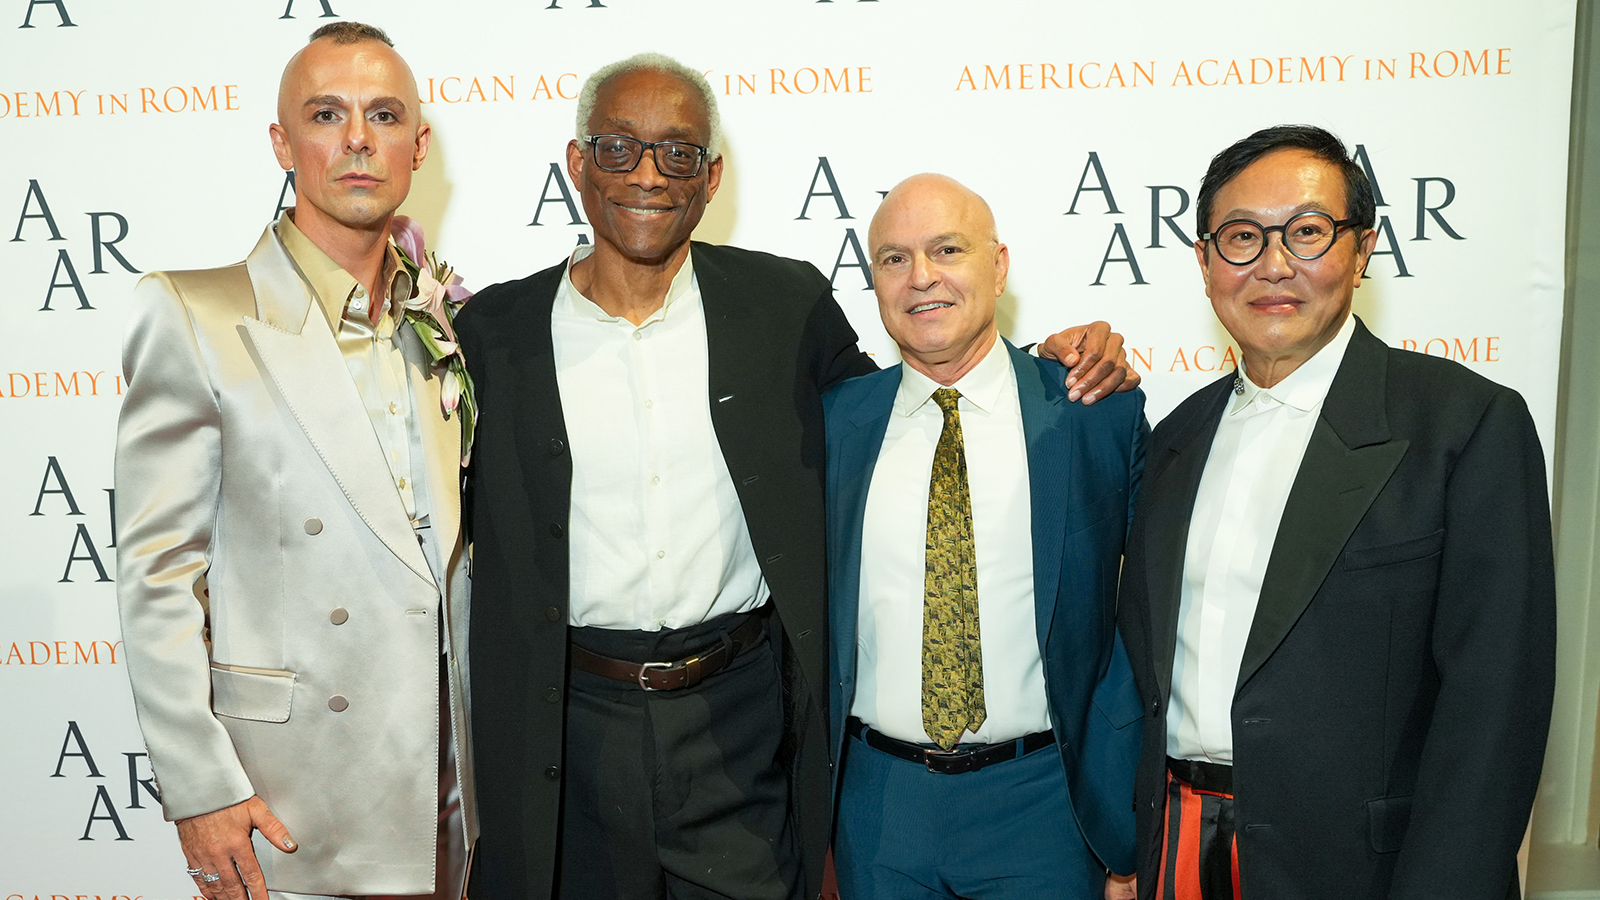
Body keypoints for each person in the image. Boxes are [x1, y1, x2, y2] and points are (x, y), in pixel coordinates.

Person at [456, 53, 1136, 900]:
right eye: (620, 147)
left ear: (709, 180)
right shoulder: (489, 331)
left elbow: (924, 384)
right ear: (579, 163)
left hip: (738, 725)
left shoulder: (783, 306)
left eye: (677, 154)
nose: (647, 175)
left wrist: (1068, 355)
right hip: (569, 725)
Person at [1116, 124, 1556, 900]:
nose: (1274, 265)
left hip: (1363, 870)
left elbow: (1496, 712)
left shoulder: (1462, 424)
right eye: (1243, 237)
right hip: (1178, 848)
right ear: (1205, 261)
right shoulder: (1177, 436)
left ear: (1361, 250)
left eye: (1308, 232)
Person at [115, 22, 473, 900]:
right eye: (326, 114)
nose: (358, 140)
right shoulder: (195, 314)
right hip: (290, 799)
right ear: (283, 140)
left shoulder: (449, 325)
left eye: (384, 115)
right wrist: (200, 788)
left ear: (416, 147)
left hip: (455, 798)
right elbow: (157, 575)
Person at [823, 174, 1145, 900]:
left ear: (998, 266)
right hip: (878, 810)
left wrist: (1122, 817)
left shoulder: (1094, 412)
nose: (922, 277)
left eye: (947, 249)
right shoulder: (833, 425)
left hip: (1046, 804)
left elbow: (1150, 619)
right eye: (895, 259)